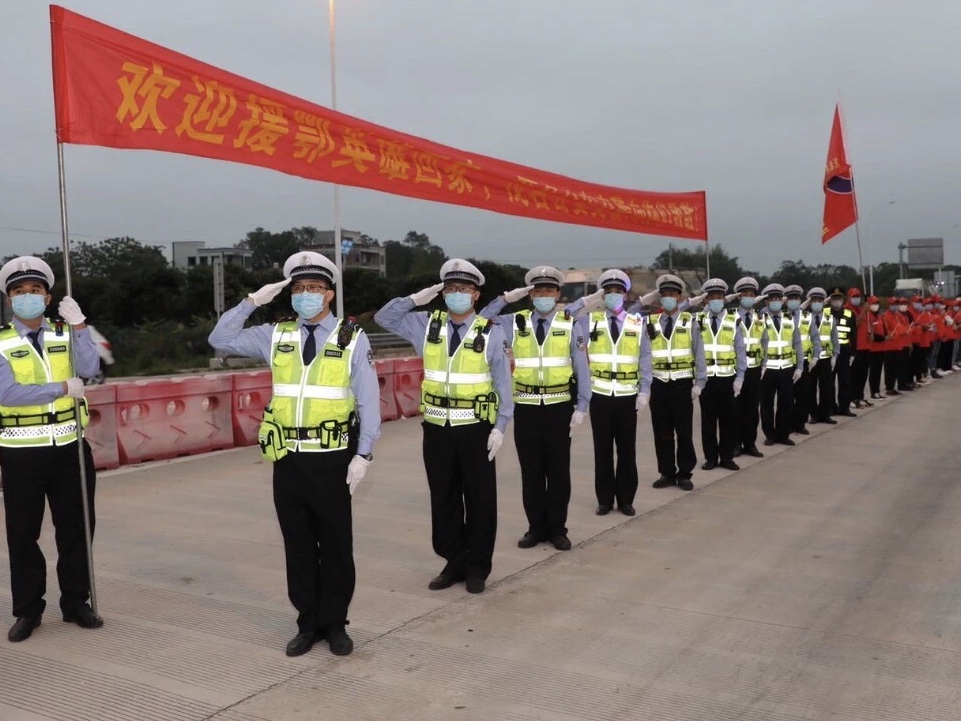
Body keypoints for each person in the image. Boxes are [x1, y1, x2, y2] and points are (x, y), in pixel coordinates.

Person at [208, 251, 381, 657]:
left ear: (330, 294)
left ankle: (335, 624)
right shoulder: (276, 335)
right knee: (298, 545)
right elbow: (220, 339)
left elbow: (368, 400)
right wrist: (251, 302)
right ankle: (307, 624)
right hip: (288, 457)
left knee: (336, 545)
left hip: (333, 457)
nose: (306, 294)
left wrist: (364, 454)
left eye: (315, 288)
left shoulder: (352, 337)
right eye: (299, 288)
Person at [375, 260, 513, 594]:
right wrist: (414, 299)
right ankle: (453, 562)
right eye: (450, 289)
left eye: (463, 289)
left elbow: (502, 384)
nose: (456, 294)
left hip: (476, 428)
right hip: (437, 428)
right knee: (444, 498)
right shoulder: (426, 325)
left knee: (480, 500)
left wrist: (500, 426)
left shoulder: (490, 331)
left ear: (476, 295)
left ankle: (477, 567)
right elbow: (384, 318)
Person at [0, 256, 102, 643]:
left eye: (35, 290)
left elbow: (89, 369)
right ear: (9, 299)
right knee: (23, 534)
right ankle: (28, 610)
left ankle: (76, 602)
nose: (27, 296)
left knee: (77, 529)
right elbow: (7, 393)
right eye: (19, 291)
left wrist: (80, 326)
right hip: (22, 451)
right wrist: (61, 388)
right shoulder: (2, 342)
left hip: (70, 448)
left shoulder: (64, 332)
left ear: (47, 298)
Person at [479, 266, 591, 551]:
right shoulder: (514, 322)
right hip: (526, 407)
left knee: (558, 472)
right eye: (538, 291)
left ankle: (558, 529)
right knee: (531, 472)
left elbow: (581, 367)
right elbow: (481, 320)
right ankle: (535, 528)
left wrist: (582, 404)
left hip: (558, 407)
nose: (543, 295)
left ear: (557, 294)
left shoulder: (570, 324)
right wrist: (505, 299)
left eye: (548, 291)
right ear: (530, 295)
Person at [582, 269, 643, 515]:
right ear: (602, 295)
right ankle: (605, 500)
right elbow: (565, 317)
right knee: (603, 450)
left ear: (626, 295)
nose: (614, 295)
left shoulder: (637, 323)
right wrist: (588, 301)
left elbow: (645, 359)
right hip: (600, 396)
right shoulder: (590, 321)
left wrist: (645, 390)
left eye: (618, 291)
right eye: (608, 292)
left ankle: (626, 499)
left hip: (627, 396)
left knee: (627, 450)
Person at [639, 274, 707, 491]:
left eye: (672, 293)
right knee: (662, 431)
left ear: (679, 297)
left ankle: (685, 473)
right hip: (658, 383)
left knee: (684, 431)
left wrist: (700, 382)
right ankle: (666, 472)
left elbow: (699, 353)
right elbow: (644, 356)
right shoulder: (649, 322)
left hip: (682, 383)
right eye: (664, 294)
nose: (668, 297)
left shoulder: (690, 321)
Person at [694, 278, 745, 471]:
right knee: (708, 421)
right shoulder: (698, 320)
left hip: (727, 378)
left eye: (719, 296)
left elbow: (740, 350)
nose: (716, 299)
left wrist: (740, 377)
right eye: (712, 296)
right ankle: (711, 458)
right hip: (706, 379)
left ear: (724, 298)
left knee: (728, 420)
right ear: (706, 299)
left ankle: (726, 457)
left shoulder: (733, 320)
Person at [758, 283, 802, 446]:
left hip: (786, 367)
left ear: (783, 301)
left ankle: (783, 435)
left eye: (778, 299)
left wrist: (800, 366)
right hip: (767, 369)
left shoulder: (789, 319)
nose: (775, 302)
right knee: (767, 404)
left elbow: (797, 344)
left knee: (786, 403)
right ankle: (769, 435)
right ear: (766, 301)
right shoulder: (759, 320)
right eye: (772, 299)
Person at [732, 277, 766, 458]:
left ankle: (750, 443)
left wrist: (764, 364)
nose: (748, 297)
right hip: (736, 369)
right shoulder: (730, 317)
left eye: (751, 294)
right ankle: (735, 443)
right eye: (744, 294)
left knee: (752, 409)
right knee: (736, 408)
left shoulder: (760, 317)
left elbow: (765, 342)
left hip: (754, 368)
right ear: (738, 297)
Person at [783, 284, 818, 436]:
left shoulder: (807, 317)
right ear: (785, 300)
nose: (793, 300)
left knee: (803, 395)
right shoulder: (780, 315)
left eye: (796, 298)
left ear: (800, 299)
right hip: (786, 362)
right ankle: (788, 425)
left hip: (803, 361)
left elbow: (815, 337)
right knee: (787, 396)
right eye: (790, 298)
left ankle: (800, 424)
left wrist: (816, 356)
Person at [807, 287, 839, 425]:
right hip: (811, 359)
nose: (817, 303)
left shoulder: (829, 318)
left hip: (826, 358)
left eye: (819, 300)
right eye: (814, 300)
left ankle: (825, 414)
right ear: (809, 302)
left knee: (827, 388)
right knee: (810, 388)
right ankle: (813, 414)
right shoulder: (805, 318)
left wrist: (835, 356)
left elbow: (835, 338)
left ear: (823, 302)